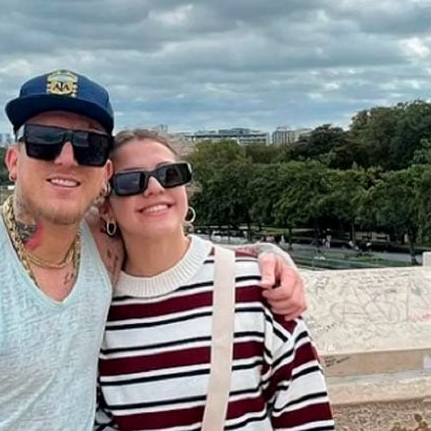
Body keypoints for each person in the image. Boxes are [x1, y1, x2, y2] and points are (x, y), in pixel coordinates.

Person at [0, 70, 306, 430]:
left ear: (104, 172)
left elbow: (172, 246)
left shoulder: (104, 245)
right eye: (45, 141)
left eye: (86, 146)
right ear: (13, 160)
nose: (66, 158)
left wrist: (267, 253)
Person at [95, 129, 334, 430]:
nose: (155, 187)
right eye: (131, 181)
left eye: (170, 174)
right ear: (106, 208)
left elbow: (306, 417)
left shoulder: (255, 285)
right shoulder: (97, 312)